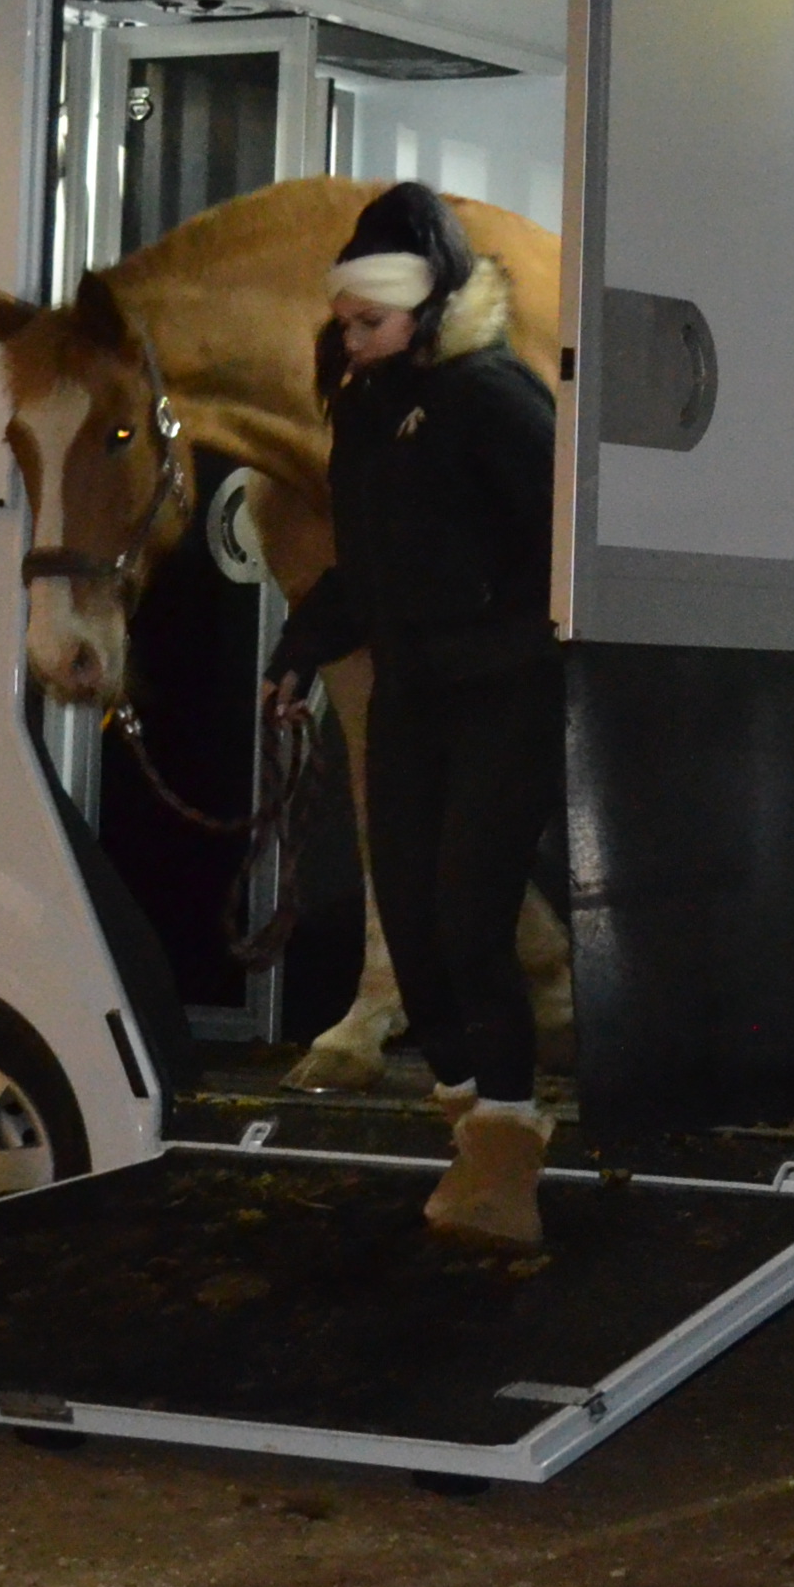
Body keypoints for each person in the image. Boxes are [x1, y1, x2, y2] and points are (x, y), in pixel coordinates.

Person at [260, 183, 561, 1248]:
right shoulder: (364, 414)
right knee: (420, 928)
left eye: (366, 321)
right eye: (346, 321)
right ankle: (475, 1123)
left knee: (469, 917)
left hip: (502, 693)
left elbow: (556, 543)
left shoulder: (495, 398)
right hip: (414, 696)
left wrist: (510, 637)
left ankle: (507, 1138)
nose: (349, 336)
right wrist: (299, 651)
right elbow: (364, 565)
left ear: (423, 309)